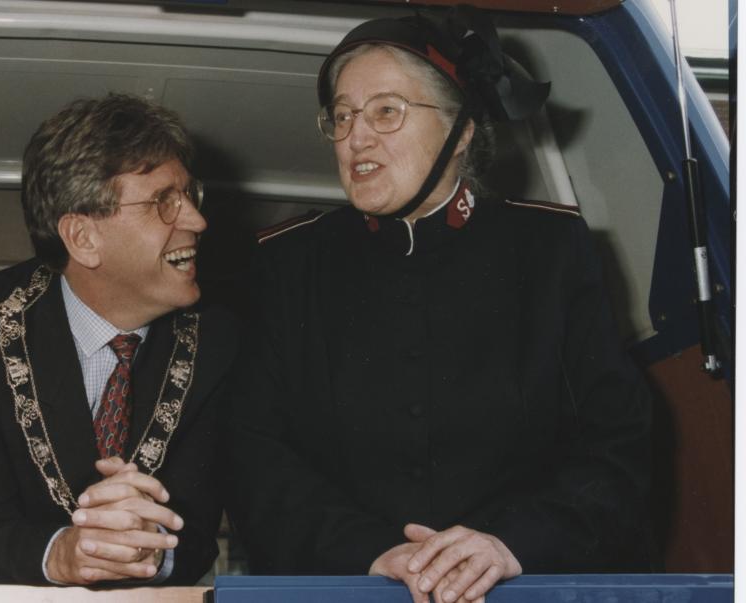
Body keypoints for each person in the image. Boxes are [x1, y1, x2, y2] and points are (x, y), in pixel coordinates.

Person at [225, 7, 652, 603]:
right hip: (343, 587)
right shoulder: (289, 264)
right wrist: (371, 553)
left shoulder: (550, 252)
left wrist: (510, 544)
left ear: (463, 130)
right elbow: (254, 454)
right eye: (342, 116)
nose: (356, 136)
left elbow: (620, 445)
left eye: (385, 111)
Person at [0, 93, 235, 585]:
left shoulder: (219, 343)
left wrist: (153, 554)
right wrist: (65, 555)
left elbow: (196, 528)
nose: (197, 222)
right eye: (164, 202)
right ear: (83, 238)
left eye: (189, 196)